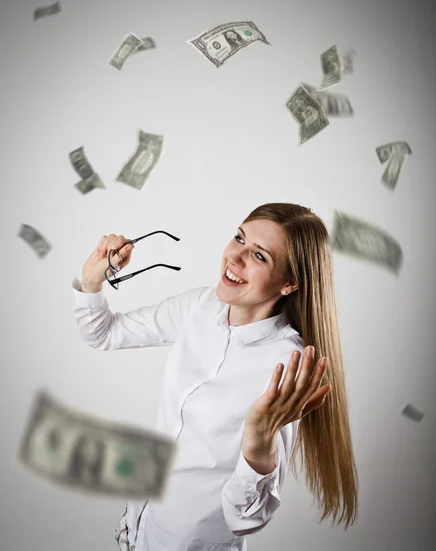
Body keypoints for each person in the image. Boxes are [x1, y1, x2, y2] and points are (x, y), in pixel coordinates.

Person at [72, 202, 358, 551]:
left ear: (289, 283)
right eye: (239, 238)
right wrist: (91, 280)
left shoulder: (286, 364)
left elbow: (245, 519)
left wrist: (259, 442)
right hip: (136, 534)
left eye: (259, 256)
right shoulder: (201, 307)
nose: (234, 258)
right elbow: (103, 334)